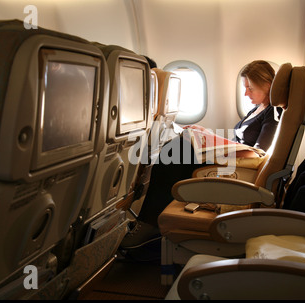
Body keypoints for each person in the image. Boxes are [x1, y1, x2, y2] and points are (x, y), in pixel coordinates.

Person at [121, 60, 282, 250]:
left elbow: (257, 153)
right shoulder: (257, 109)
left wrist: (215, 142)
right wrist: (207, 134)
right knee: (177, 147)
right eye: (245, 88)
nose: (246, 93)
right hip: (228, 159)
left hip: (237, 168)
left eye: (250, 88)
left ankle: (149, 223)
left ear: (268, 85)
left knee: (175, 151)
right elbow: (239, 142)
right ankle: (152, 220)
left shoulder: (273, 112)